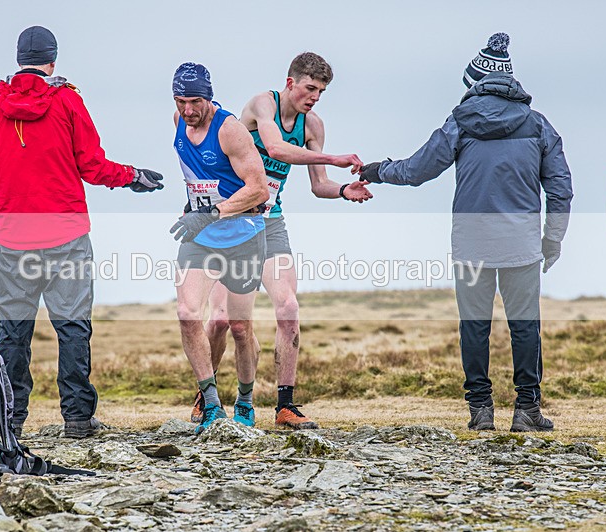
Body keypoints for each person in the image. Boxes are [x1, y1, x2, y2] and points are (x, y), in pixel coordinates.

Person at [0, 26, 164, 439]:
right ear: (52, 62)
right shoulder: (67, 100)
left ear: (18, 60)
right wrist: (133, 176)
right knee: (72, 327)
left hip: (13, 238)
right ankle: (77, 420)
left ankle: (10, 420)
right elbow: (92, 165)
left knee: (13, 331)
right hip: (66, 236)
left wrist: (12, 166)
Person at [360, 33, 573, 432]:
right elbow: (560, 187)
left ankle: (480, 410)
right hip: (523, 242)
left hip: (471, 241)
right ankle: (527, 409)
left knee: (474, 324)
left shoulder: (460, 121)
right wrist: (552, 239)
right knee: (525, 325)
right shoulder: (539, 124)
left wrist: (378, 170)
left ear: (475, 81)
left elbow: (418, 170)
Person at [192, 52, 372, 430]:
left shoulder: (313, 126)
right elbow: (275, 149)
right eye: (310, 88)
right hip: (231, 223)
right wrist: (333, 157)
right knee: (225, 320)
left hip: (271, 225)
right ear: (291, 83)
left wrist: (343, 190)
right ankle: (206, 395)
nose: (315, 97)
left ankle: (285, 406)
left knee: (288, 309)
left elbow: (319, 185)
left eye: (321, 91)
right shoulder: (262, 105)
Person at [169, 62, 270, 435]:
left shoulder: (231, 131)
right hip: (200, 238)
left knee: (239, 327)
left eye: (195, 101)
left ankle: (245, 401)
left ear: (209, 98)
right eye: (181, 101)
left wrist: (210, 212)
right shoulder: (179, 120)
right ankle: (211, 403)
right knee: (187, 313)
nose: (188, 110)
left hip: (243, 236)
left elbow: (258, 188)